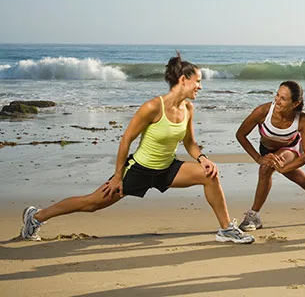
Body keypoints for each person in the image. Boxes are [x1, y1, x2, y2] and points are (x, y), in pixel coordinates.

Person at [20, 52, 254, 244]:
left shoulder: (188, 109)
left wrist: (203, 158)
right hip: (138, 169)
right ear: (183, 79)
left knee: (210, 175)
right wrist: (118, 177)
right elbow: (126, 140)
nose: (200, 87)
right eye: (198, 81)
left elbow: (189, 143)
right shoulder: (153, 107)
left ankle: (226, 229)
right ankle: (36, 217)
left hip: (167, 169)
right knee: (91, 203)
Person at [235, 80, 305, 231]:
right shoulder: (263, 111)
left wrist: (283, 168)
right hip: (266, 150)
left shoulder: (302, 119)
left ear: (295, 103)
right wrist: (258, 158)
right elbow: (241, 135)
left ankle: (253, 216)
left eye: (283, 98)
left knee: (266, 169)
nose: (277, 100)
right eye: (277, 95)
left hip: (291, 150)